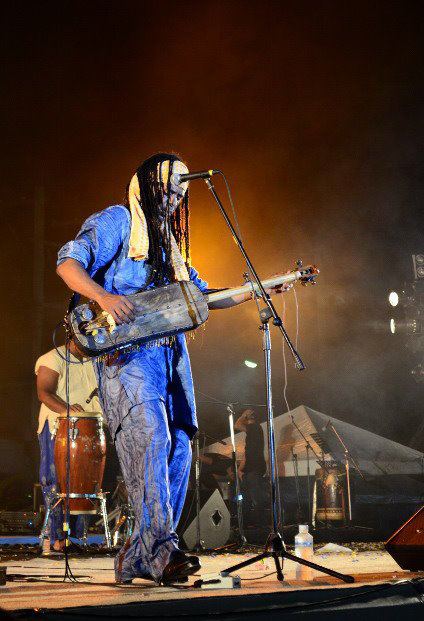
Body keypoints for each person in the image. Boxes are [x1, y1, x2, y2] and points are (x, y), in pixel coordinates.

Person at [56, 152, 291, 584]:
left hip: (170, 358)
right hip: (128, 359)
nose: (174, 198)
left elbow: (205, 297)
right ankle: (162, 551)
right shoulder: (118, 221)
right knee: (153, 438)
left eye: (181, 193)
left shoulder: (169, 245)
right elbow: (68, 263)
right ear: (147, 185)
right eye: (168, 189)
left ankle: (138, 554)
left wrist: (260, 288)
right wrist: (103, 297)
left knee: (180, 446)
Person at [36, 338, 102, 551]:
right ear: (73, 336)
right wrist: (67, 409)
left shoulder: (94, 360)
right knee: (57, 481)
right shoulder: (53, 358)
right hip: (59, 426)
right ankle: (57, 537)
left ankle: (76, 537)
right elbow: (44, 392)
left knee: (84, 483)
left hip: (90, 428)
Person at [234, 409, 268, 522]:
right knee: (247, 497)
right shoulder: (253, 431)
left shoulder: (254, 427)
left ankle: (260, 523)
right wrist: (240, 470)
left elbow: (237, 425)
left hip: (255, 468)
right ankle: (249, 522)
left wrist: (243, 415)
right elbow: (247, 454)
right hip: (251, 469)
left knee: (255, 497)